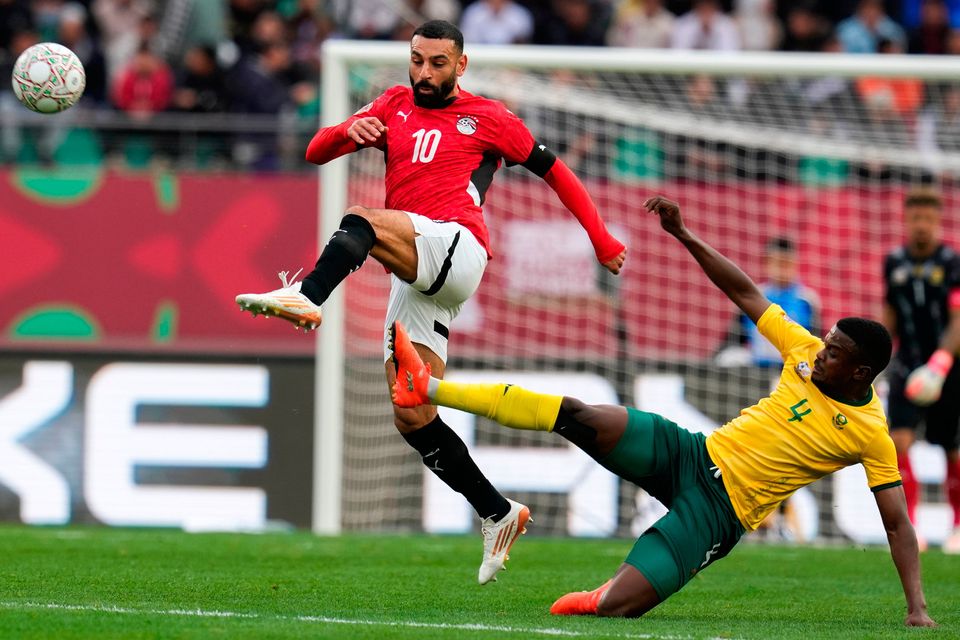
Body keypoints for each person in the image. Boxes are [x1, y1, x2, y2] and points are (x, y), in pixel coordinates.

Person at [390, 195, 936, 627]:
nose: (820, 352)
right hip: (691, 453)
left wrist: (916, 607)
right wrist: (684, 233)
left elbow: (897, 523)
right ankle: (427, 388)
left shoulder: (870, 434)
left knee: (617, 608)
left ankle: (606, 592)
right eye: (826, 342)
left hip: (719, 514)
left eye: (834, 352)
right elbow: (745, 292)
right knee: (581, 415)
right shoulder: (803, 349)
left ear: (860, 372)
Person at [235, 20, 626, 583]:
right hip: (417, 268)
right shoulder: (392, 104)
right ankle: (496, 511)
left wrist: (601, 239)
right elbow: (315, 151)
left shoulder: (488, 117)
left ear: (460, 65)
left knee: (362, 219)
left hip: (459, 245)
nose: (424, 72)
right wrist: (349, 131)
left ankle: (307, 295)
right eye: (417, 60)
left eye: (437, 63)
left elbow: (556, 173)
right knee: (411, 408)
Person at [882, 188, 960, 554]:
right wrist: (876, 355)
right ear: (906, 220)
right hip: (906, 365)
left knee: (952, 448)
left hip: (948, 366)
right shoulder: (894, 263)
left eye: (928, 219)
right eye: (916, 218)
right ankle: (910, 528)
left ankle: (958, 526)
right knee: (898, 442)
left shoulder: (952, 263)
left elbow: (958, 318)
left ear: (938, 221)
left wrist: (941, 361)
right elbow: (890, 314)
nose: (922, 225)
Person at [717, 236, 821, 368]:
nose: (782, 269)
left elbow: (816, 343)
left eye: (786, 263)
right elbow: (733, 339)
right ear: (767, 263)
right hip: (756, 367)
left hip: (794, 367)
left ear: (795, 264)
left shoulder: (807, 300)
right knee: (727, 358)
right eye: (778, 263)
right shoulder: (754, 296)